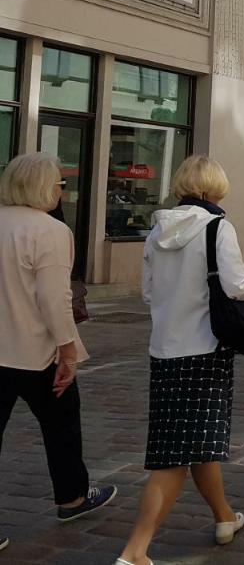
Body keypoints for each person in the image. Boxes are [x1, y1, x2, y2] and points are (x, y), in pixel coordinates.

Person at [116, 155, 244, 565]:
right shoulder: (217, 227)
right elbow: (238, 285)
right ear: (216, 188)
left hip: (164, 350)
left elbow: (147, 293)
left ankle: (224, 516)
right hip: (205, 350)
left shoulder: (156, 231)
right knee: (174, 457)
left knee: (198, 443)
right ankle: (134, 553)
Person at [0, 153, 117, 553]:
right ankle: (71, 497)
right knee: (62, 426)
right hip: (36, 353)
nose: (61, 191)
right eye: (58, 184)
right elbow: (54, 298)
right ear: (43, 186)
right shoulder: (48, 230)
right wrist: (68, 351)